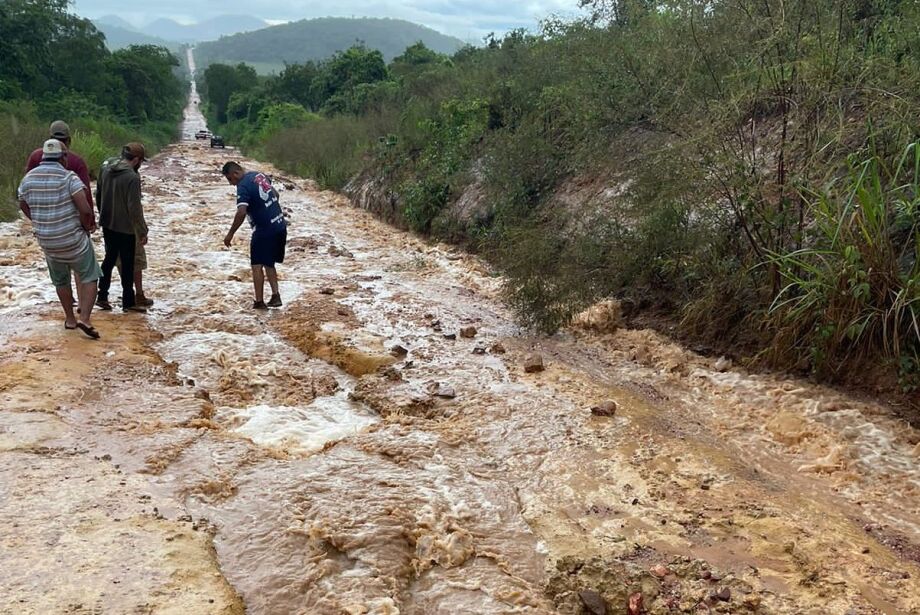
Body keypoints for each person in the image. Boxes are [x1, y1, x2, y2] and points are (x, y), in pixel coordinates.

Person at [17, 139, 101, 339]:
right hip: (73, 241)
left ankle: (70, 320)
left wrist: (37, 221)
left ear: (43, 157)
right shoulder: (69, 178)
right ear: (63, 157)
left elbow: (22, 204)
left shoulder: (28, 179)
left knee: (60, 280)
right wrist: (86, 224)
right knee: (89, 275)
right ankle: (85, 319)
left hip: (48, 242)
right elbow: (85, 209)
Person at [25, 120, 95, 306]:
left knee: (59, 272)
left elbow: (25, 192)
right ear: (69, 140)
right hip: (73, 222)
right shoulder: (76, 161)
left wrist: (36, 219)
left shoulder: (35, 157)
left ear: (49, 137)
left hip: (47, 226)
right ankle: (82, 305)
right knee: (83, 267)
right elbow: (85, 194)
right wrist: (90, 221)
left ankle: (69, 312)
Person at [221, 161, 287, 309]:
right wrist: (269, 210)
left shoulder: (243, 186)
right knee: (268, 262)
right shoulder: (259, 175)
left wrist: (230, 234)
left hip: (264, 230)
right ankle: (276, 296)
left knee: (257, 265)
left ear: (236, 173)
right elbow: (275, 194)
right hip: (280, 225)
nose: (231, 184)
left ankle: (259, 302)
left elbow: (241, 212)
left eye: (230, 179)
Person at [95, 143, 148, 313]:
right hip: (125, 226)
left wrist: (102, 213)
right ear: (137, 160)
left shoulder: (106, 168)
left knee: (109, 259)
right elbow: (134, 208)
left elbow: (98, 193)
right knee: (127, 263)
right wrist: (142, 230)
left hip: (107, 222)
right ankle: (128, 302)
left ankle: (102, 296)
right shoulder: (132, 177)